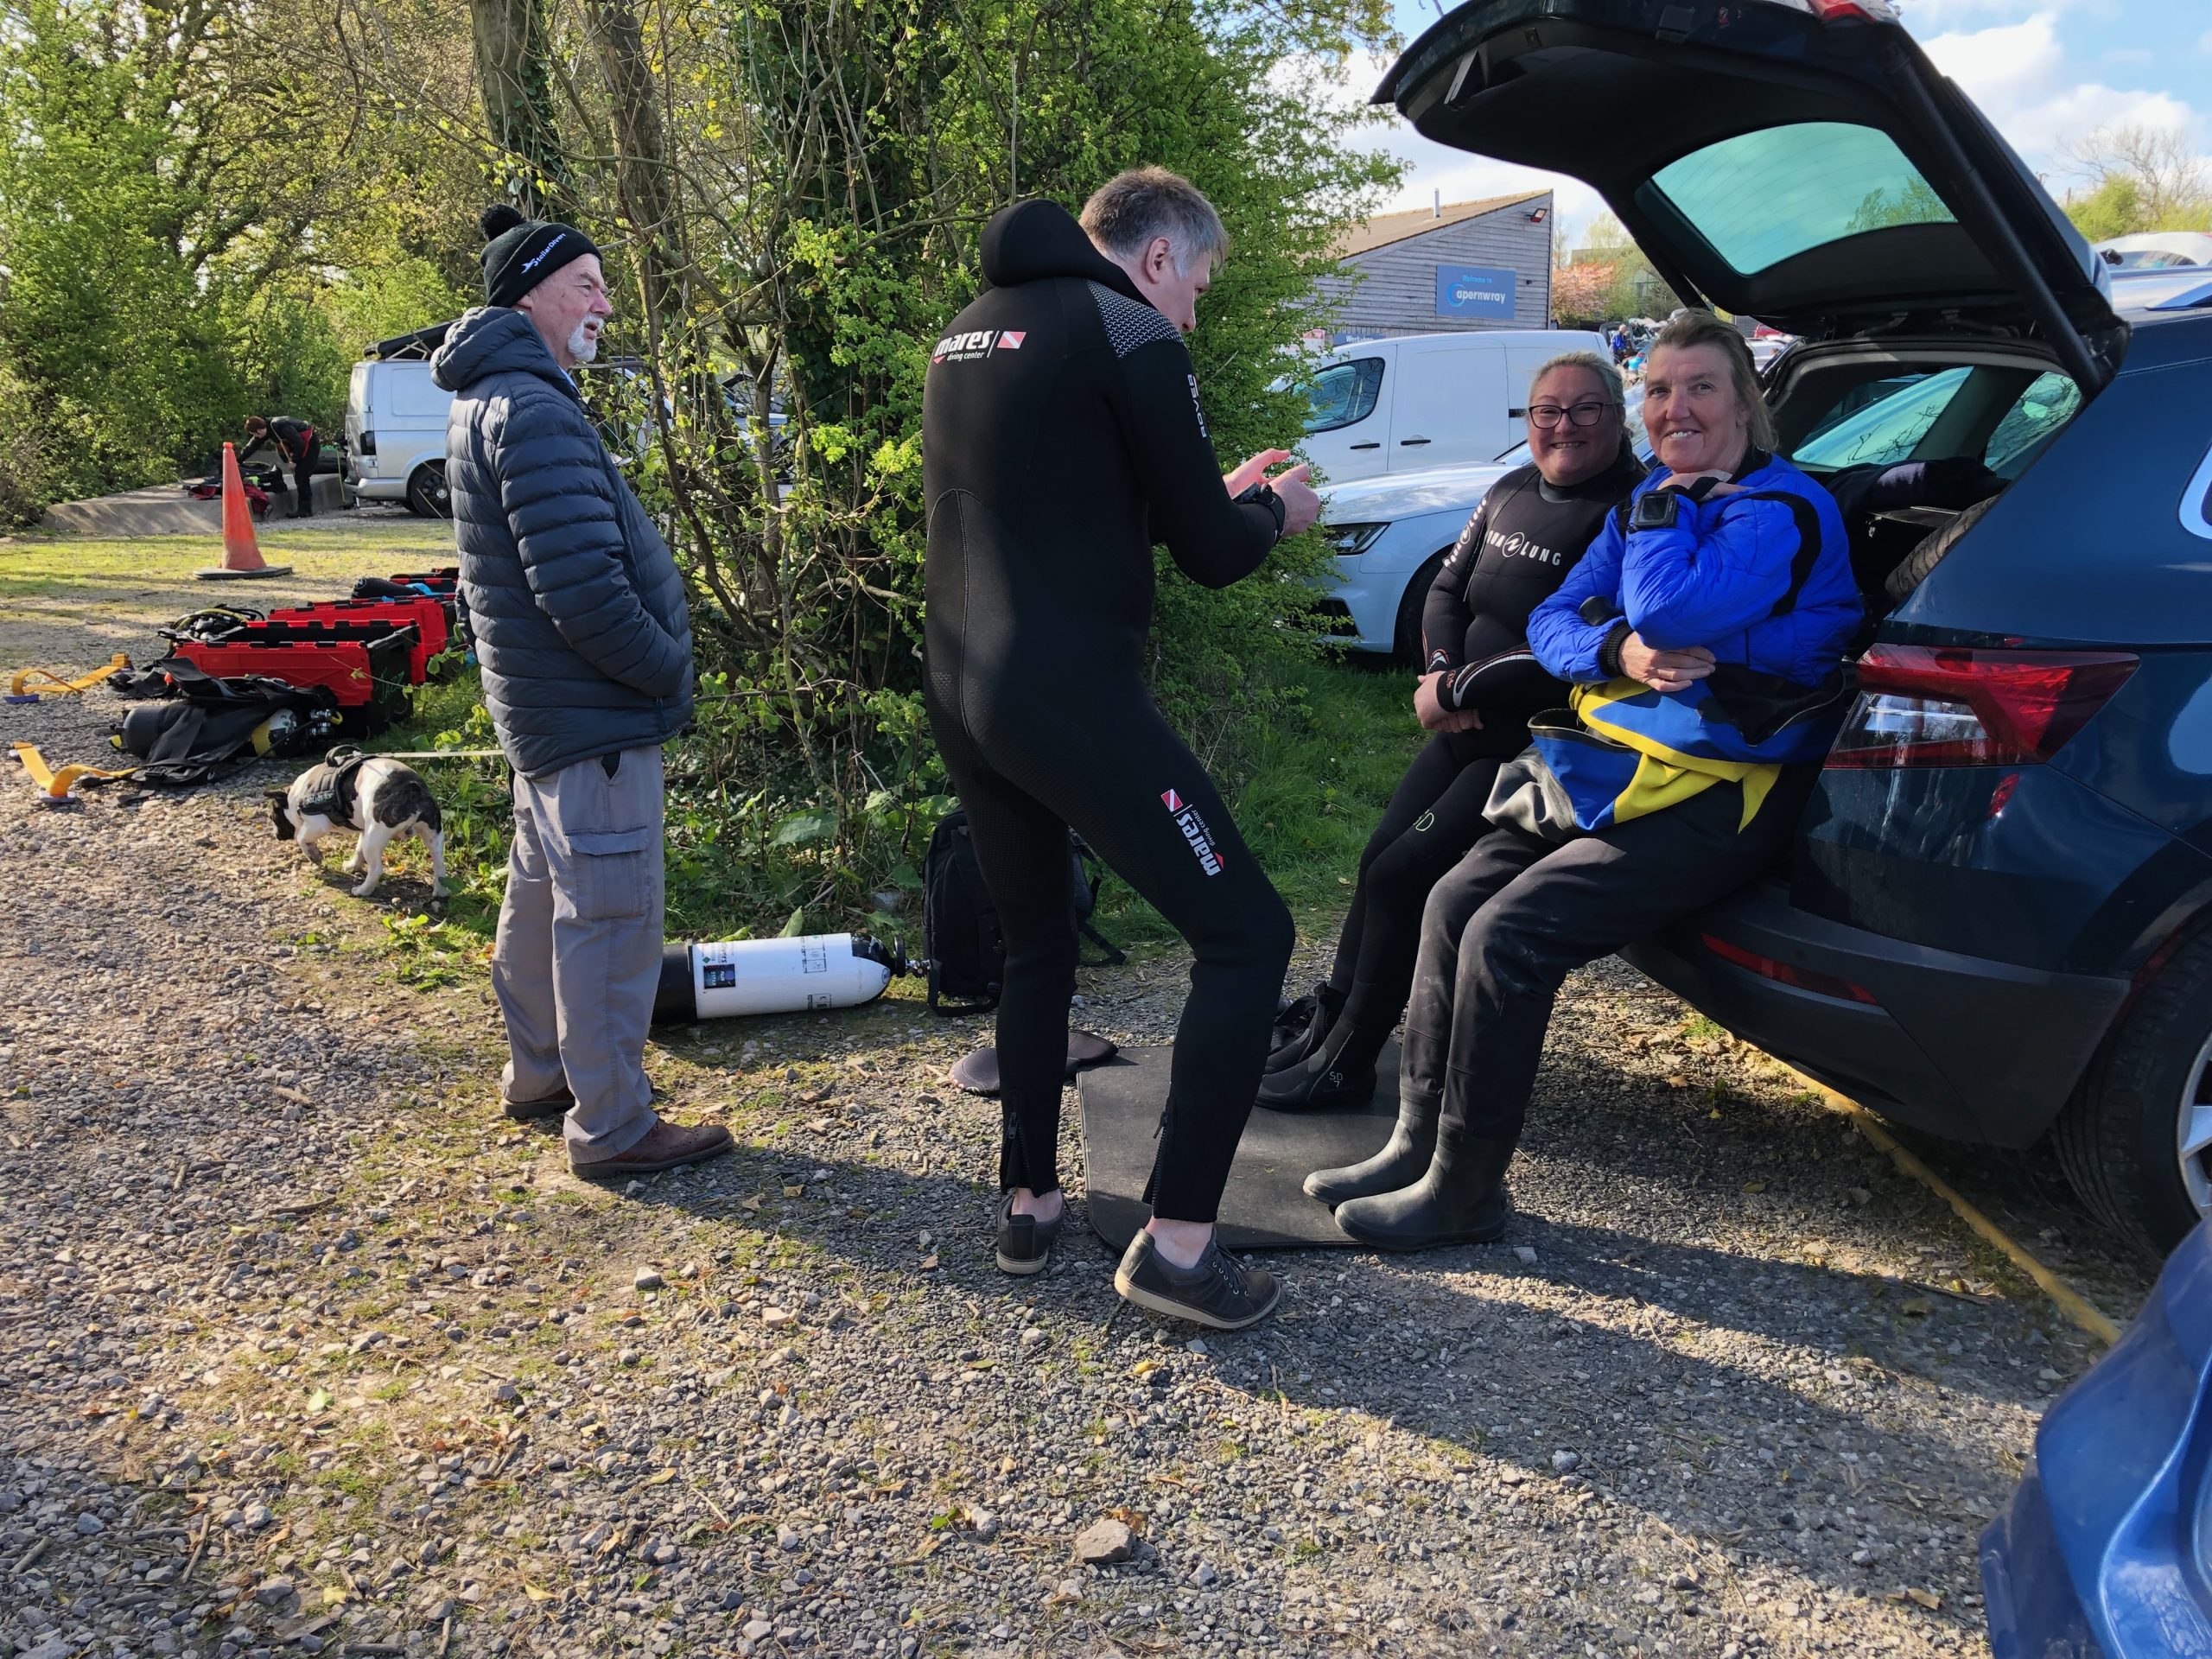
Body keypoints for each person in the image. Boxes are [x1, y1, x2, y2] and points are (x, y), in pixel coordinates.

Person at [1306, 309, 1862, 1246]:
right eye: (1658, 389)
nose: (1673, 408)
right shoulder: (1664, 499)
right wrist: (1618, 647)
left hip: (1724, 787)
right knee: (1450, 900)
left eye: (1699, 387)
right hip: (1621, 764)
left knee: (1510, 934)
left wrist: (1652, 535)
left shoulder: (1776, 509)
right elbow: (1558, 625)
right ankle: (1416, 1146)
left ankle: (1467, 1190)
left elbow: (1669, 600)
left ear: (1745, 400)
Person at [922, 168, 1321, 1328]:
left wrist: (1212, 487)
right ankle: (1180, 1248)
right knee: (1250, 936)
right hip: (1065, 693)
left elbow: (1054, 499)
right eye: (1197, 284)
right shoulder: (1129, 325)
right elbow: (1211, 552)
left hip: (961, 682)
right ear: (1158, 258)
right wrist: (1273, 515)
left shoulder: (970, 332)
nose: (1192, 310)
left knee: (1039, 941)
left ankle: (1031, 1202)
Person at [430, 203, 732, 1181]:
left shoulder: (489, 396)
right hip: (591, 707)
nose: (605, 301)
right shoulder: (535, 406)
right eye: (586, 284)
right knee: (608, 913)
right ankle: (611, 1126)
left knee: (538, 896)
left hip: (545, 710)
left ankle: (543, 1076)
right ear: (531, 298)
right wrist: (664, 669)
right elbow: (582, 592)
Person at [1259, 352, 1644, 1110]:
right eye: (1546, 411)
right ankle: (1330, 1027)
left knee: (1407, 873)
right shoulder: (1509, 490)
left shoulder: (1629, 510)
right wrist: (1439, 674)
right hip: (1462, 721)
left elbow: (1580, 643)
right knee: (1378, 861)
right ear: (1527, 419)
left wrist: (1460, 688)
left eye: (1585, 409)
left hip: (1532, 742)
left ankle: (1350, 1061)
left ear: (1617, 415)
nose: (1563, 426)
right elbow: (1446, 588)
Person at [240, 415, 322, 518]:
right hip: (301, 445)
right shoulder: (267, 429)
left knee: (302, 476)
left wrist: (294, 460)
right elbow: (252, 446)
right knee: (300, 476)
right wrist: (238, 460)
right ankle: (306, 509)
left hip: (310, 443)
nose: (257, 436)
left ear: (259, 429)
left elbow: (299, 442)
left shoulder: (278, 425)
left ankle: (304, 510)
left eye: (256, 433)